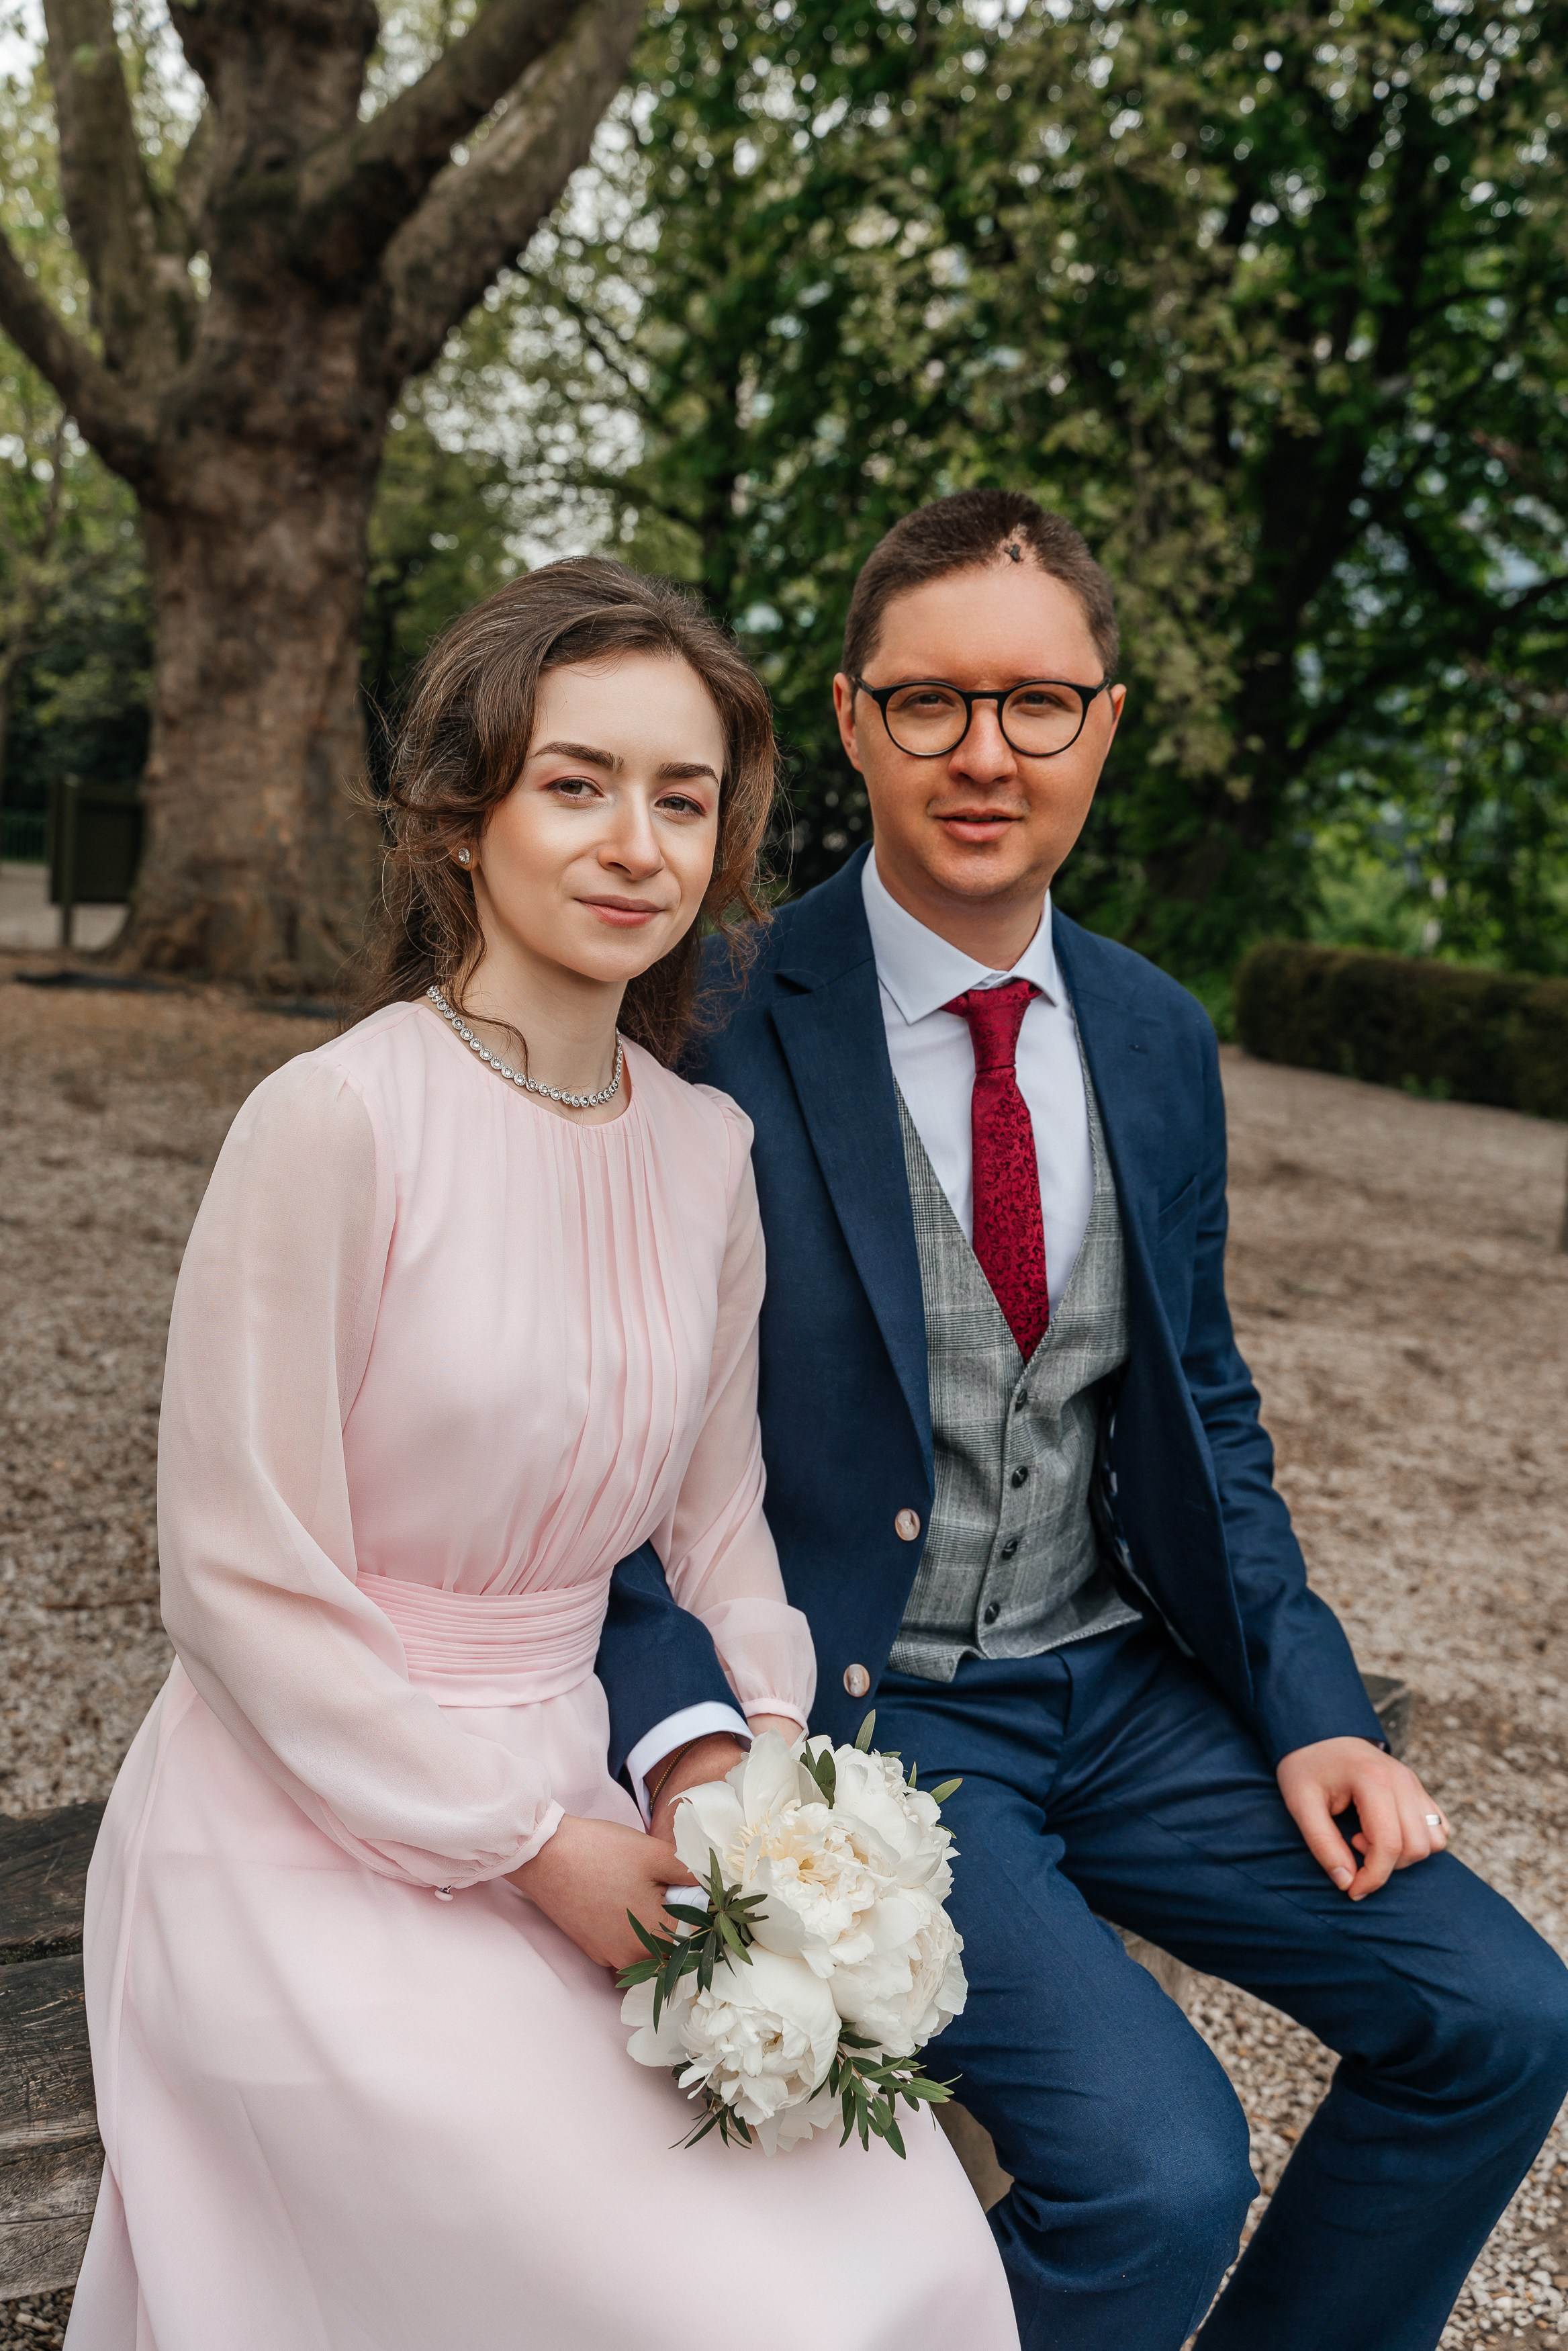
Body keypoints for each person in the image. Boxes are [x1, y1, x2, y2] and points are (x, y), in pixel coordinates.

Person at [597, 491, 1568, 2351]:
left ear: (1104, 726)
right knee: (1161, 2168)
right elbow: (606, 1447)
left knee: (1505, 2018)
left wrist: (1319, 1711)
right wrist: (694, 1746)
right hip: (881, 1712)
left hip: (1121, 1686)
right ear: (856, 720)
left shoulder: (1154, 1032)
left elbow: (1203, 1399)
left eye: (1037, 704)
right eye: (933, 703)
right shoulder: (705, 1013)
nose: (987, 753)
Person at [64, 560, 1019, 2351]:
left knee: (906, 2244)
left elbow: (721, 1539)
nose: (636, 843)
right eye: (578, 783)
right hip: (305, 1822)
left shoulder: (706, 1154)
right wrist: (528, 1844)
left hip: (601, 1786)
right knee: (698, 2301)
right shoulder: (333, 1122)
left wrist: (751, 1798)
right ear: (463, 816)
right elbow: (240, 1581)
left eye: (683, 799)